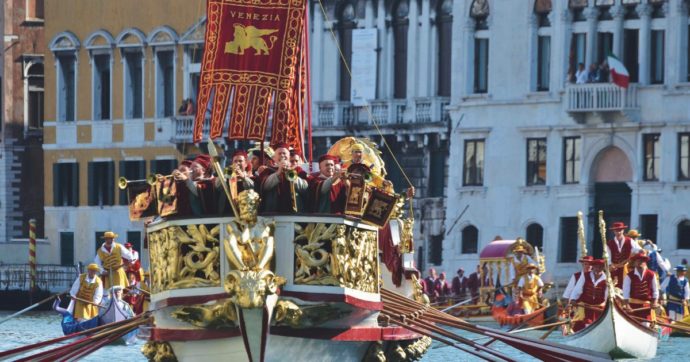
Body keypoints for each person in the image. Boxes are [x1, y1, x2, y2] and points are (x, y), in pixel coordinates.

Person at [258, 143, 308, 213]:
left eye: (284, 153)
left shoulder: (298, 170)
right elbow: (265, 186)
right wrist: (278, 172)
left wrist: (292, 174)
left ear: (289, 156)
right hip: (273, 212)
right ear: (274, 158)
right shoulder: (267, 171)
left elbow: (305, 188)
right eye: (279, 153)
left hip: (294, 212)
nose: (282, 155)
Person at [568, 259, 608, 332]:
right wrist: (573, 299)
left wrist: (607, 305)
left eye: (600, 267)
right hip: (585, 307)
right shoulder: (585, 275)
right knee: (583, 324)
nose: (598, 269)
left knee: (598, 325)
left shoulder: (607, 279)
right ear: (593, 267)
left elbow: (607, 295)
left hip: (599, 308)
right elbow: (578, 288)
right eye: (596, 267)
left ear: (603, 268)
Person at [622, 252, 659, 323]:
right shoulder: (629, 276)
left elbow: (655, 291)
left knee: (646, 325)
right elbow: (625, 293)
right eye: (637, 261)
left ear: (645, 262)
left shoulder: (651, 274)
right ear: (634, 263)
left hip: (646, 307)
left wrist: (654, 302)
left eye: (642, 261)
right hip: (632, 307)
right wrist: (627, 305)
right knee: (632, 324)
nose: (639, 263)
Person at [606, 222, 642, 288]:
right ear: (614, 231)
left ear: (623, 230)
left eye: (620, 230)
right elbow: (608, 257)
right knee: (615, 287)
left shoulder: (630, 241)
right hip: (615, 269)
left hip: (627, 269)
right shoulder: (609, 243)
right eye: (616, 231)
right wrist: (610, 265)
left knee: (628, 286)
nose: (618, 232)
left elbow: (639, 250)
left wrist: (633, 260)